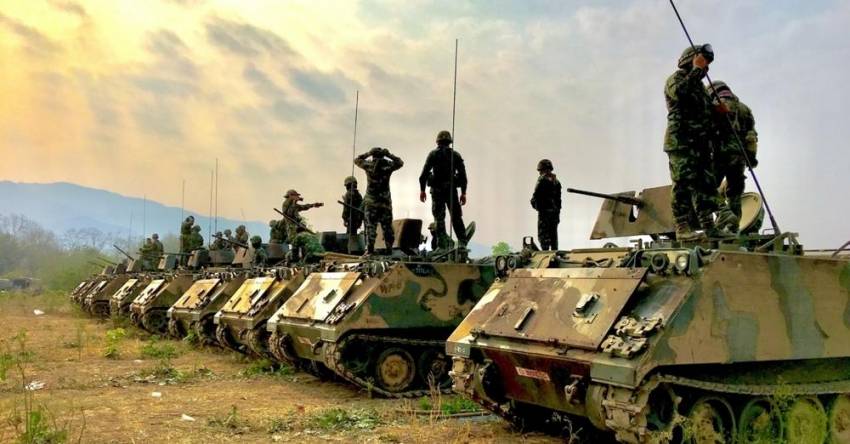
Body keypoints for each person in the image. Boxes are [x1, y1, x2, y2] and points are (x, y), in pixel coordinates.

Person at [663, 44, 731, 241]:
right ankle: (682, 227)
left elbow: (704, 114)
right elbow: (680, 93)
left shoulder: (701, 88)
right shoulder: (676, 79)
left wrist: (717, 112)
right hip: (681, 142)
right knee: (682, 184)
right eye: (703, 61)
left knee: (705, 186)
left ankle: (709, 227)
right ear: (690, 60)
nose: (706, 67)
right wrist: (696, 69)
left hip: (700, 145)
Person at [707, 80, 758, 233]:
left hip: (719, 155)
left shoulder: (715, 106)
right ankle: (733, 228)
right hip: (739, 158)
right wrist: (751, 157)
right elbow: (751, 136)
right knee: (735, 194)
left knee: (707, 188)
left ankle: (724, 214)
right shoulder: (744, 109)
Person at [419, 130, 468, 249]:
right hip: (451, 191)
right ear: (450, 142)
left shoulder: (432, 155)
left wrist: (422, 191)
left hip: (437, 191)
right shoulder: (455, 155)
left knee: (439, 219)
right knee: (456, 216)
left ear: (438, 141)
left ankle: (442, 246)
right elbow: (463, 177)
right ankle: (462, 242)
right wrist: (463, 193)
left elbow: (423, 175)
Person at [355, 147, 404, 254]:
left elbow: (357, 160)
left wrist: (368, 153)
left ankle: (370, 250)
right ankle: (389, 249)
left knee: (371, 227)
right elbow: (400, 163)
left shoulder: (368, 165)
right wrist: (389, 154)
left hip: (371, 202)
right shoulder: (388, 166)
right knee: (387, 227)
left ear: (373, 155)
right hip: (385, 203)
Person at [530, 159, 562, 250]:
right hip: (554, 213)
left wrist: (536, 205)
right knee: (553, 235)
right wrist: (557, 212)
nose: (540, 173)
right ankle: (554, 252)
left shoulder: (542, 179)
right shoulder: (556, 181)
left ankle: (545, 253)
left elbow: (536, 195)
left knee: (543, 235)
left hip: (544, 212)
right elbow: (559, 200)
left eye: (540, 170)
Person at [341, 176, 364, 253]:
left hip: (351, 219)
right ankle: (354, 250)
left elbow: (346, 209)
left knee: (349, 235)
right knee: (354, 234)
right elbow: (362, 208)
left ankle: (350, 251)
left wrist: (344, 219)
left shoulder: (348, 194)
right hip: (357, 219)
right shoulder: (359, 195)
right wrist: (360, 220)